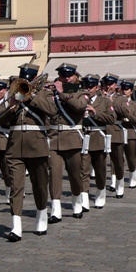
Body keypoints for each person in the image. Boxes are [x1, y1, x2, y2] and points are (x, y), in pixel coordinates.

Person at [0, 63, 56, 242]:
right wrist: (11, 107)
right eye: (23, 80)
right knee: (16, 186)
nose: (25, 83)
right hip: (15, 146)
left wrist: (32, 96)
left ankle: (42, 214)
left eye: (28, 80)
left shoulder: (45, 93)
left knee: (40, 184)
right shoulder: (12, 95)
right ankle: (16, 226)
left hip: (37, 145)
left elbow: (52, 111)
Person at [48, 63, 90, 223]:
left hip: (73, 138)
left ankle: (77, 202)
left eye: (69, 75)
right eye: (62, 75)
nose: (66, 78)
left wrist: (62, 93)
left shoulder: (81, 92)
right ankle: (55, 210)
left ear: (75, 76)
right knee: (54, 175)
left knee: (75, 175)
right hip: (54, 138)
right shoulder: (51, 92)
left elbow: (79, 106)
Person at [79, 74, 115, 209]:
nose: (88, 89)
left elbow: (112, 119)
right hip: (83, 137)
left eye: (91, 86)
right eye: (86, 86)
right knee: (83, 170)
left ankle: (100, 192)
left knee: (100, 170)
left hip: (98, 138)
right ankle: (84, 198)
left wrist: (95, 113)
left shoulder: (105, 101)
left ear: (97, 87)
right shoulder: (79, 100)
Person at [120, 81, 136, 188]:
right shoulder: (117, 102)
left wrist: (127, 113)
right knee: (118, 157)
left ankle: (133, 173)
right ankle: (118, 179)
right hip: (119, 130)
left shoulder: (135, 104)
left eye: (127, 89)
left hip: (130, 130)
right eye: (123, 89)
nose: (124, 91)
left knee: (131, 156)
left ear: (131, 91)